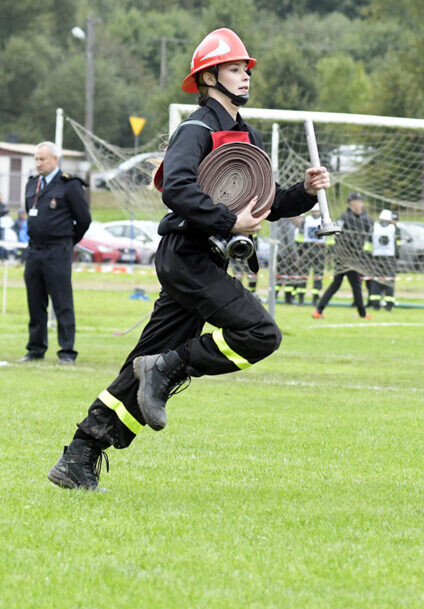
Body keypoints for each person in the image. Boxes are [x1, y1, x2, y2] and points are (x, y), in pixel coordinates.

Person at [45, 28, 330, 490]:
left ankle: (80, 455)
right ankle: (165, 368)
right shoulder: (195, 129)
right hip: (186, 256)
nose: (246, 76)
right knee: (260, 334)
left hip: (203, 262)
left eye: (246, 69)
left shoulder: (247, 134)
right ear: (209, 77)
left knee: (141, 367)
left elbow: (265, 202)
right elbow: (176, 189)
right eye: (235, 69)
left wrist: (306, 192)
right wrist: (228, 221)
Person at [20, 141, 91, 364]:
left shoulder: (69, 185)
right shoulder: (32, 184)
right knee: (35, 302)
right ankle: (35, 349)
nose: (38, 163)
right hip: (34, 251)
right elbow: (30, 213)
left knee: (62, 302)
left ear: (54, 159)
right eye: (36, 159)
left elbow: (84, 219)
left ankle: (67, 352)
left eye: (42, 159)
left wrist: (68, 240)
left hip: (57, 251)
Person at [313, 191, 371, 320]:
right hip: (345, 257)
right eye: (358, 201)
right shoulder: (344, 218)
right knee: (355, 286)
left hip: (355, 257)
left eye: (361, 202)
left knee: (337, 284)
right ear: (352, 203)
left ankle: (318, 310)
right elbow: (339, 237)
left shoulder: (363, 218)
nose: (361, 204)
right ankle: (362, 314)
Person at [365, 209, 399, 310]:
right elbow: (397, 245)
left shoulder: (374, 227)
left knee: (376, 280)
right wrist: (397, 257)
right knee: (389, 280)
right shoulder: (394, 228)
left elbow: (368, 245)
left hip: (376, 258)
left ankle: (375, 304)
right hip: (390, 258)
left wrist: (369, 256)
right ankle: (389, 304)